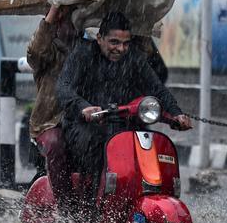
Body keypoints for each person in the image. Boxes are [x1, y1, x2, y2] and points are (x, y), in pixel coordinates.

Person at [56, 11, 191, 185]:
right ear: (99, 38)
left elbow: (158, 89)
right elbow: (63, 87)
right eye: (114, 42)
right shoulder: (83, 54)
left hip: (124, 125)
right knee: (97, 145)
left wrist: (176, 114)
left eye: (126, 44)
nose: (120, 49)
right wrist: (83, 107)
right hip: (83, 126)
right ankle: (93, 205)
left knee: (150, 147)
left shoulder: (134, 58)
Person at [25, 2, 84, 216]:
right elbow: (34, 53)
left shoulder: (89, 48)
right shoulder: (48, 52)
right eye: (64, 18)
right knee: (56, 144)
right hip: (50, 121)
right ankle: (66, 212)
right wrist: (53, 11)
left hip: (85, 121)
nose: (69, 24)